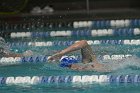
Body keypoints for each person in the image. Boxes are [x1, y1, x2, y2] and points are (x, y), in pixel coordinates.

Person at [48, 40, 112, 72]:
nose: (74, 67)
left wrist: (61, 53)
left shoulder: (88, 62)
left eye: (72, 65)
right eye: (70, 66)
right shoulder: (87, 66)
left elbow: (83, 43)